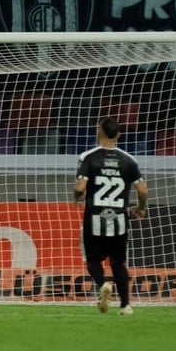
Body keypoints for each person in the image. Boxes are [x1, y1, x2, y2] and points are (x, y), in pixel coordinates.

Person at [73, 116, 147, 316]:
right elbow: (142, 190)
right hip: (119, 220)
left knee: (93, 261)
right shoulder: (129, 160)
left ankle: (103, 283)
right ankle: (125, 305)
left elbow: (80, 187)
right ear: (119, 135)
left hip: (95, 218)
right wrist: (141, 208)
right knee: (118, 262)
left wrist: (76, 197)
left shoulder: (89, 157)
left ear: (99, 132)